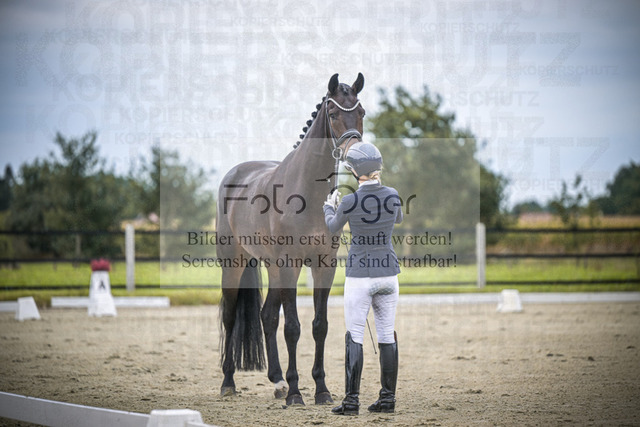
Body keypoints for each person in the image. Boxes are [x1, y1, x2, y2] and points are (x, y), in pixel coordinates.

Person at [323, 141, 403, 415]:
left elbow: (333, 227)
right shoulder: (393, 195)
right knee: (387, 336)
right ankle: (387, 399)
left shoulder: (350, 200)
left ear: (355, 171)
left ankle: (351, 402)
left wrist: (329, 207)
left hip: (360, 275)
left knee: (355, 336)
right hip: (389, 275)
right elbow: (398, 218)